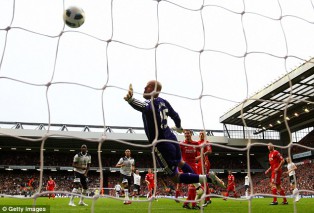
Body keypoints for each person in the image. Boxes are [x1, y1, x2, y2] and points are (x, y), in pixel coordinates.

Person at [124, 81, 225, 195]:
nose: (144, 88)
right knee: (180, 163)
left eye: (147, 86)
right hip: (172, 139)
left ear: (154, 90)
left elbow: (143, 107)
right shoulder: (163, 102)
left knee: (175, 178)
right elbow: (176, 116)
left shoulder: (150, 104)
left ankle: (208, 178)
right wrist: (178, 127)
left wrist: (130, 100)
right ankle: (198, 187)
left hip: (161, 145)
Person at [180, 129, 200, 210]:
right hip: (186, 167)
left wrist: (202, 156)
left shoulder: (195, 144)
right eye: (185, 133)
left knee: (194, 186)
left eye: (188, 133)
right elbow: (177, 154)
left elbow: (198, 156)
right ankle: (193, 204)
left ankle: (186, 203)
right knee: (194, 185)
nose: (186, 134)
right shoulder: (181, 144)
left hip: (194, 166)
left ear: (191, 134)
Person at [197, 131, 213, 207]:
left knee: (203, 180)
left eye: (202, 134)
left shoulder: (206, 142)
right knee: (200, 180)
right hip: (198, 163)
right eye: (200, 134)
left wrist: (203, 154)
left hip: (205, 162)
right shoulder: (196, 143)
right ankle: (207, 199)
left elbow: (209, 151)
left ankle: (207, 199)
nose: (201, 135)